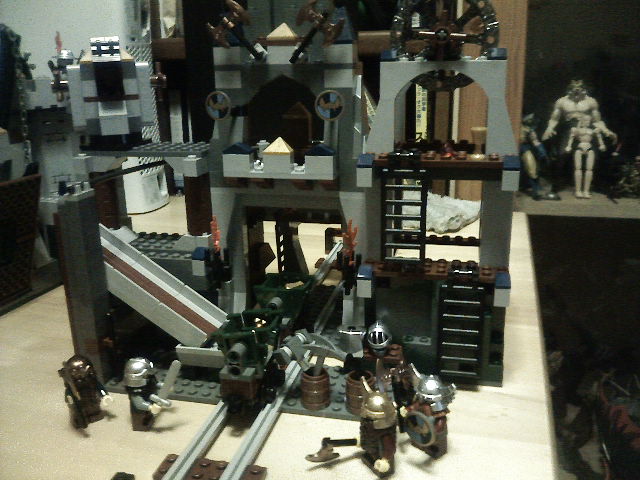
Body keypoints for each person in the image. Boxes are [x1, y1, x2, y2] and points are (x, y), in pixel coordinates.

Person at [59, 354, 113, 429]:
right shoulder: (72, 386)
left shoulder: (92, 381)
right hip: (80, 402)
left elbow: (99, 387)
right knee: (79, 410)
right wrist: (70, 399)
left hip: (92, 399)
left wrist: (105, 395)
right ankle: (83, 418)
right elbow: (69, 393)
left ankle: (94, 414)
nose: (80, 376)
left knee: (93, 408)